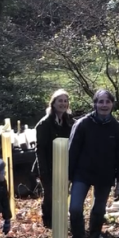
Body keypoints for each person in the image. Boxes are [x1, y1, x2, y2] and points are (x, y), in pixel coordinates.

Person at [68, 89, 119, 238]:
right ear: (95, 104)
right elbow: (72, 152)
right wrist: (67, 176)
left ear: (112, 104)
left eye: (107, 102)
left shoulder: (117, 128)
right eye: (101, 101)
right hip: (82, 173)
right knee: (74, 208)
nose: (104, 105)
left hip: (105, 175)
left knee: (99, 210)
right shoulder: (82, 124)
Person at [35, 90, 74, 228]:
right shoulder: (44, 123)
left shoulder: (70, 122)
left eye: (65, 101)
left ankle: (61, 218)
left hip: (64, 164)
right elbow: (40, 149)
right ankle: (48, 221)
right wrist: (43, 171)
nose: (63, 104)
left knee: (63, 193)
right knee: (50, 195)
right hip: (48, 164)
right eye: (60, 101)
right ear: (53, 103)